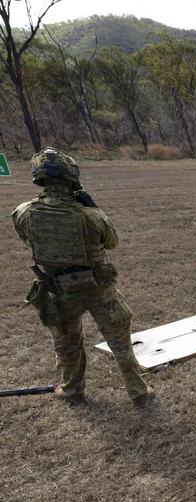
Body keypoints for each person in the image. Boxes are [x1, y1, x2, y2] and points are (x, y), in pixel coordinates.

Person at [11, 148, 153, 406]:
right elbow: (111, 242)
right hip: (99, 288)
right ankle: (138, 391)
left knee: (67, 344)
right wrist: (92, 209)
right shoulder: (90, 216)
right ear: (71, 177)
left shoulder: (23, 213)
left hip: (60, 290)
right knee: (120, 344)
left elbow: (28, 240)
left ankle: (72, 389)